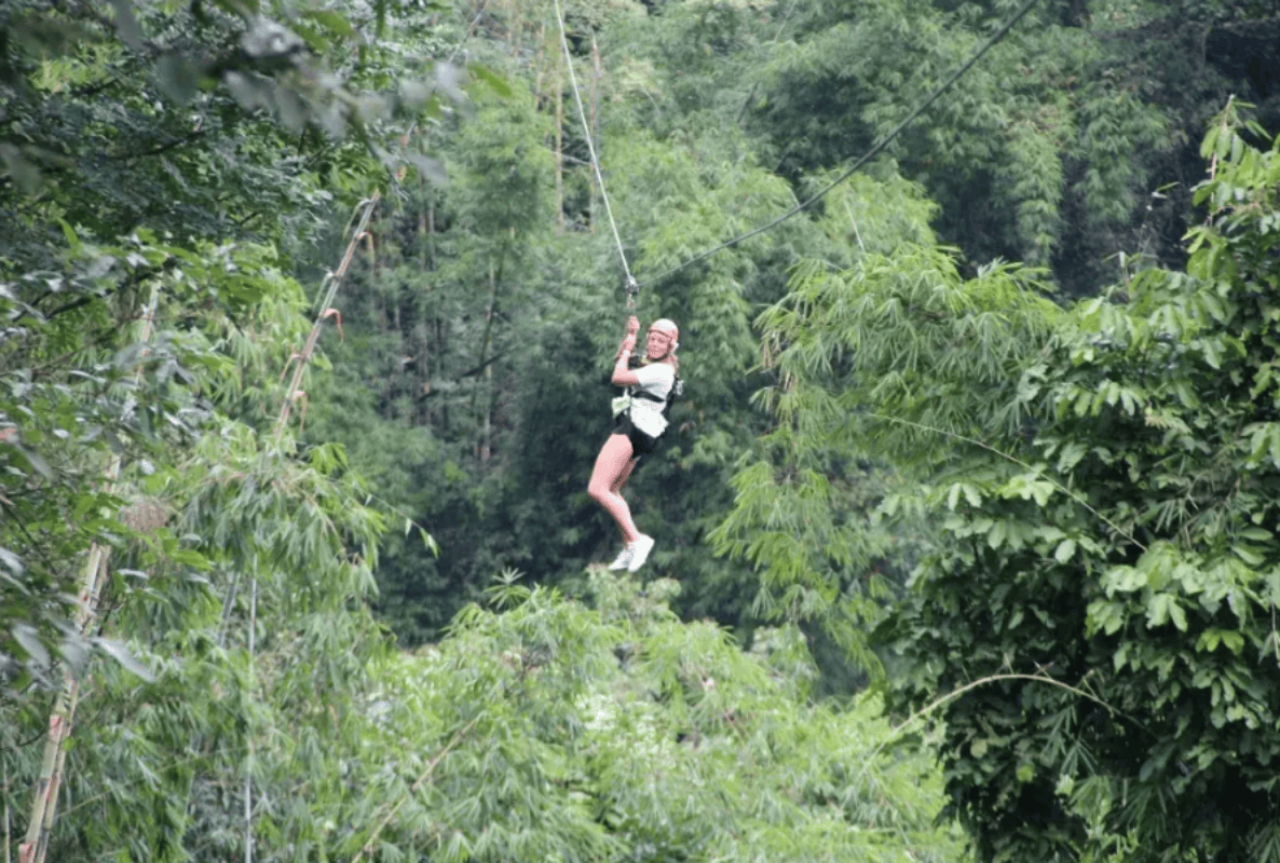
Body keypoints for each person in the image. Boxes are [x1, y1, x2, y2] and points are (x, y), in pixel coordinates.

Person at [588, 315, 680, 572]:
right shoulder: (653, 366)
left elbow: (618, 377)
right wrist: (629, 338)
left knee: (597, 488)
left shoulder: (660, 371)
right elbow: (623, 362)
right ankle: (630, 545)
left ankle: (638, 540)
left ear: (670, 346)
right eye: (651, 339)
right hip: (643, 433)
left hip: (632, 428)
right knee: (613, 490)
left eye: (660, 341)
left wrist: (629, 347)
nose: (652, 344)